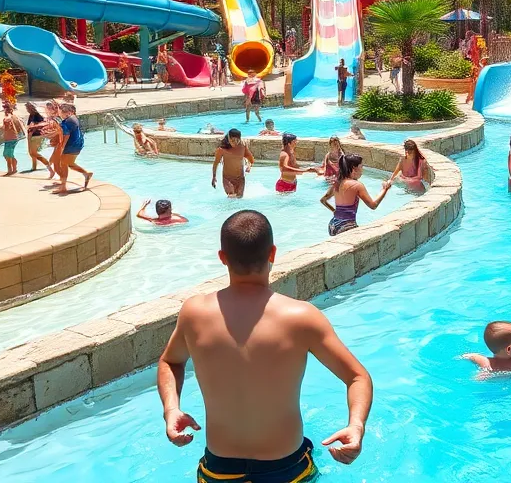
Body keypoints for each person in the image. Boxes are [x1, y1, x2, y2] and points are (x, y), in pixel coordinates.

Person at [157, 210, 372, 479]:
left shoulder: (194, 313)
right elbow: (357, 377)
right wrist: (356, 426)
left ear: (222, 257)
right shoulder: (301, 317)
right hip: (288, 470)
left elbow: (170, 362)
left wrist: (171, 410)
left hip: (219, 472)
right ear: (272, 253)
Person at [319, 153, 392, 236]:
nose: (362, 170)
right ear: (354, 168)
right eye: (361, 167)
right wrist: (385, 189)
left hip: (333, 224)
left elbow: (323, 200)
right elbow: (373, 205)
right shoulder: (357, 185)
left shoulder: (337, 183)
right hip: (346, 226)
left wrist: (334, 211)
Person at [56, 103, 92, 194]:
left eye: (60, 112)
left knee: (63, 164)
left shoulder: (66, 122)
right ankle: (86, 174)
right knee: (70, 164)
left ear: (66, 112)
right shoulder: (74, 118)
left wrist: (62, 147)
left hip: (71, 145)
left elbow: (66, 135)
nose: (59, 114)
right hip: (78, 144)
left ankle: (63, 186)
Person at [212, 128, 254, 198]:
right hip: (227, 179)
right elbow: (215, 164)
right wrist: (214, 177)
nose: (235, 143)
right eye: (232, 140)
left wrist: (249, 166)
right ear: (228, 138)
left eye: (237, 140)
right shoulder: (222, 150)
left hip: (240, 178)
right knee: (231, 196)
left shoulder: (242, 147)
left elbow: (251, 159)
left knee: (239, 197)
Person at [0, 103, 23, 176]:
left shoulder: (8, 118)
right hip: (13, 138)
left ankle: (10, 170)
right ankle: (14, 167)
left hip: (10, 138)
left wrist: (5, 126)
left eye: (4, 109)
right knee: (8, 154)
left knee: (7, 155)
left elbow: (7, 125)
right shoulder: (14, 116)